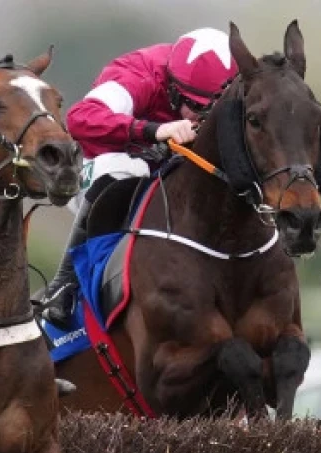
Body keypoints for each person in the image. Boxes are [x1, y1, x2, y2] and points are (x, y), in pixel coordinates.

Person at [40, 27, 238, 329]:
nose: (202, 120)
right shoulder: (139, 73)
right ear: (172, 89)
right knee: (125, 170)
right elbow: (80, 118)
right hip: (98, 166)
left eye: (213, 110)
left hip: (164, 169)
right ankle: (64, 285)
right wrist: (152, 130)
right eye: (196, 108)